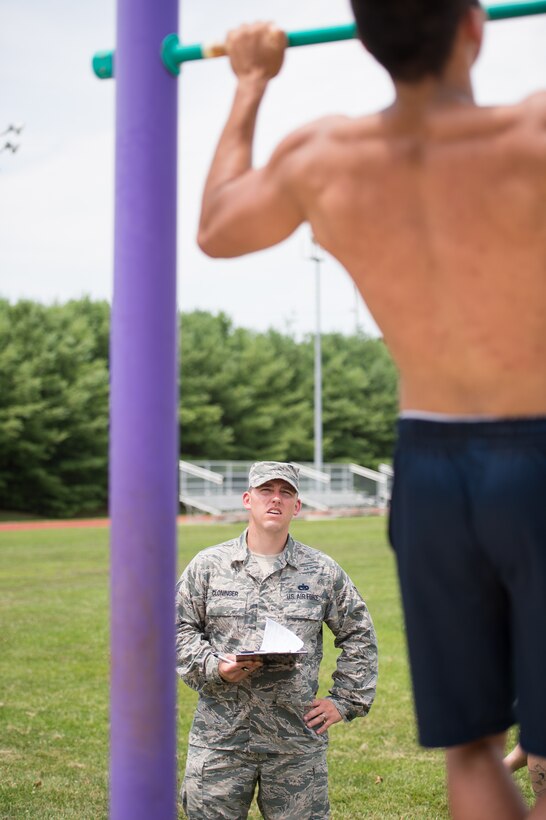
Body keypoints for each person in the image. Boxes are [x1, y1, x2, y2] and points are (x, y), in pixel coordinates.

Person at [196, 3, 546, 818]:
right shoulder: (531, 136)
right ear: (473, 26)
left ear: (370, 38)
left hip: (431, 468)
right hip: (536, 450)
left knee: (473, 747)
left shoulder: (325, 155)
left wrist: (250, 81)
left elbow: (217, 227)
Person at [176, 461, 378, 819]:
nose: (276, 499)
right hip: (221, 737)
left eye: (286, 492)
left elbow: (358, 631)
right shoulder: (209, 566)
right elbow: (177, 628)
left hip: (295, 741)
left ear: (296, 506)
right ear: (247, 499)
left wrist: (345, 700)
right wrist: (214, 667)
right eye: (266, 491)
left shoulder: (321, 571)